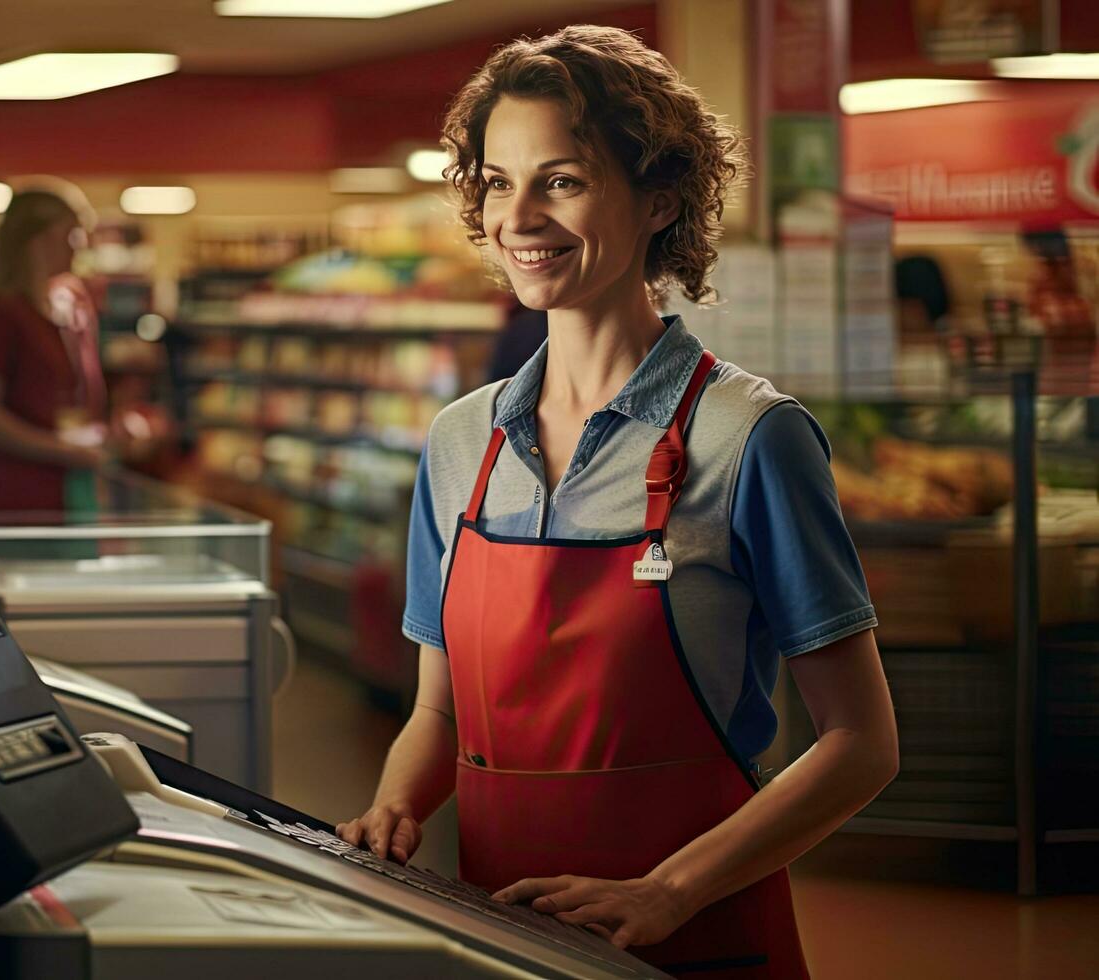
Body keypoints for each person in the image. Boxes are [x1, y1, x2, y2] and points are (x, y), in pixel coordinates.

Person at [337, 27, 898, 978]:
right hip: (499, 934)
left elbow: (860, 743)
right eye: (496, 180)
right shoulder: (460, 443)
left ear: (659, 199)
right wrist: (393, 809)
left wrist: (669, 891)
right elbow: (438, 715)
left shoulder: (749, 438)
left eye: (560, 180)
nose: (519, 216)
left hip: (697, 941)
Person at [0, 187, 108, 516]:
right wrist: (61, 449)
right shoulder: (4, 313)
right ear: (39, 240)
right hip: (17, 494)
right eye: (69, 234)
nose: (78, 246)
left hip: (58, 487)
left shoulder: (55, 309)